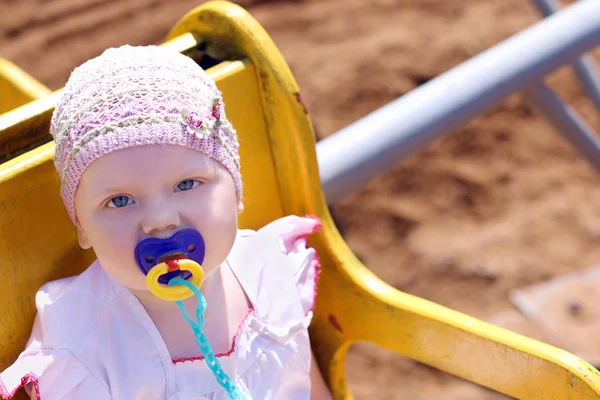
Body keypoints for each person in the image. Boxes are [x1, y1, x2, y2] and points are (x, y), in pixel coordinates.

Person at [0, 45, 332, 400]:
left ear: (235, 189)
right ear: (81, 225)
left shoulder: (269, 271)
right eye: (119, 201)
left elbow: (304, 381)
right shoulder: (80, 342)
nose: (159, 221)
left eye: (186, 184)